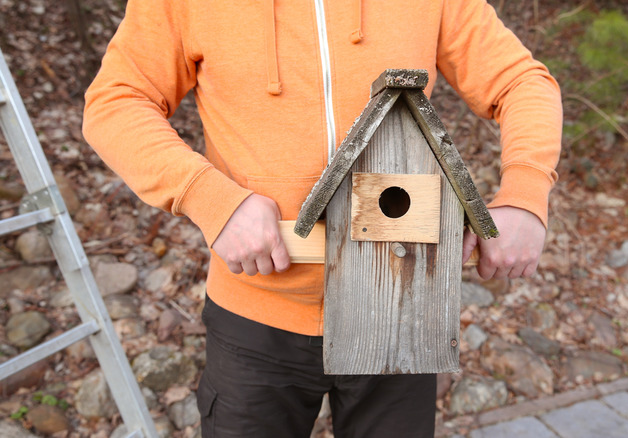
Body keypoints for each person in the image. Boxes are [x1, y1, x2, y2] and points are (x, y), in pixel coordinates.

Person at [83, 0, 562, 436]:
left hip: (399, 303)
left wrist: (524, 194)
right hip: (256, 312)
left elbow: (521, 81)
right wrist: (211, 198)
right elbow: (117, 101)